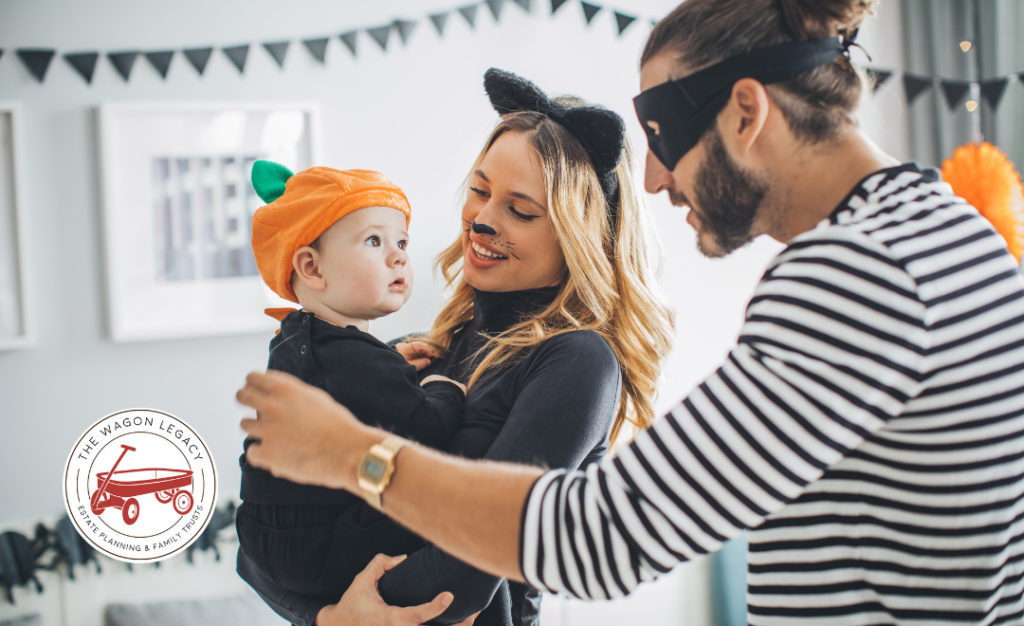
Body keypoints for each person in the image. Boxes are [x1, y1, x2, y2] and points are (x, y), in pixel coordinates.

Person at [238, 0, 1024, 623]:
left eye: (659, 136)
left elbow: (600, 536)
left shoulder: (857, 276)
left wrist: (352, 456)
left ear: (746, 113)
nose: (650, 181)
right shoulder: (944, 233)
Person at [241, 69, 675, 626]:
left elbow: (471, 566)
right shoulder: (411, 355)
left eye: (520, 211)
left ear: (576, 237)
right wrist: (332, 618)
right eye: (479, 190)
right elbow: (261, 542)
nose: (483, 220)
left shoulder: (576, 361)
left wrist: (350, 611)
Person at [235, 162, 469, 621]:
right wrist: (443, 385)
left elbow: (348, 387)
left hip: (264, 540)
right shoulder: (358, 360)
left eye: (401, 242)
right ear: (311, 267)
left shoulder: (296, 340)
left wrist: (388, 369)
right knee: (425, 500)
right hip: (322, 550)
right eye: (374, 241)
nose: (399, 256)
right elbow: (429, 427)